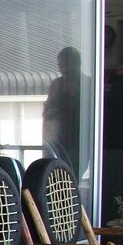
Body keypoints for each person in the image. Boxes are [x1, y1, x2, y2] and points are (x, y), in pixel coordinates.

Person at [42, 46, 83, 176]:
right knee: (56, 177)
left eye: (67, 65)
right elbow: (46, 113)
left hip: (80, 140)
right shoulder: (56, 85)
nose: (64, 70)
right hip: (58, 139)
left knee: (73, 176)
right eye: (61, 66)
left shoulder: (88, 84)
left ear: (77, 63)